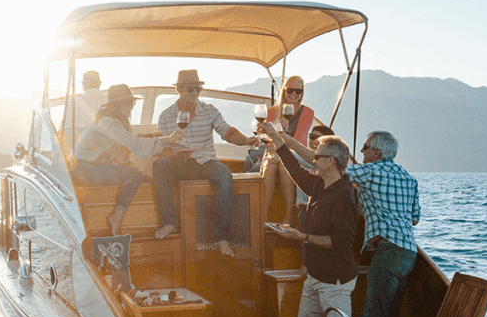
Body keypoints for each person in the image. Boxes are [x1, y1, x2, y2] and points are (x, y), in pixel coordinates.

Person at [260, 120, 359, 317]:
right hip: (315, 277)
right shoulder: (319, 185)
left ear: (331, 161)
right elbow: (293, 168)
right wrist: (276, 137)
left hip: (335, 283)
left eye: (317, 156)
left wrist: (302, 236)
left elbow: (340, 242)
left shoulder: (343, 196)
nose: (313, 159)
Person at [153, 70, 260, 257]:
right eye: (190, 89)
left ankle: (222, 237)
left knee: (225, 175)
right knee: (160, 165)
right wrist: (173, 154)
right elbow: (162, 145)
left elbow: (227, 131)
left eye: (198, 89)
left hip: (206, 161)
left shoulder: (210, 110)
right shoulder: (166, 115)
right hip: (181, 164)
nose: (194, 93)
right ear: (179, 89)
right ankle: (169, 222)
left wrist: (246, 141)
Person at [74, 84, 182, 234]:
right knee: (135, 174)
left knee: (144, 178)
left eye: (132, 102)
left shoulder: (111, 119)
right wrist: (167, 140)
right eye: (127, 103)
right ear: (116, 104)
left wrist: (155, 145)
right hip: (87, 171)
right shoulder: (110, 123)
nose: (131, 106)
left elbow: (123, 147)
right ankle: (116, 217)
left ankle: (157, 223)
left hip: (90, 166)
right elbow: (134, 145)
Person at [345, 131, 421, 317]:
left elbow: (334, 171)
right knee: (392, 312)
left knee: (375, 314)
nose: (361, 150)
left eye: (365, 146)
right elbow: (414, 219)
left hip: (388, 252)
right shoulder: (409, 178)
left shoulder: (369, 172)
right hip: (408, 253)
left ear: (377, 152)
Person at [261, 76, 317, 227]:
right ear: (284, 90)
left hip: (296, 152)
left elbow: (299, 138)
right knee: (269, 167)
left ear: (302, 93)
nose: (294, 94)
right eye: (290, 90)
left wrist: (281, 150)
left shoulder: (308, 112)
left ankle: (288, 217)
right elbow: (266, 136)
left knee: (285, 167)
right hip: (275, 151)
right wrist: (275, 129)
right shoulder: (273, 111)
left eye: (298, 91)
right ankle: (263, 216)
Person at [63, 70, 106, 147]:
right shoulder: (110, 100)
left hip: (80, 150)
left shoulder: (72, 103)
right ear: (100, 83)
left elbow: (65, 130)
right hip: (106, 150)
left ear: (83, 85)